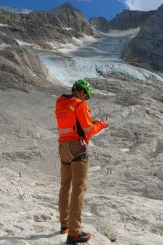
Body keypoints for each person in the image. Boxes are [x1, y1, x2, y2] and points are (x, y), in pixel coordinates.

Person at [55, 79, 108, 244]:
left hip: (63, 147)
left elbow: (72, 124)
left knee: (65, 186)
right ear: (81, 92)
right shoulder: (80, 105)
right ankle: (75, 233)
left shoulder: (61, 102)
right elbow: (88, 131)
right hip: (77, 148)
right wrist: (101, 124)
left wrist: (87, 122)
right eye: (86, 96)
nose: (86, 99)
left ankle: (64, 225)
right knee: (79, 189)